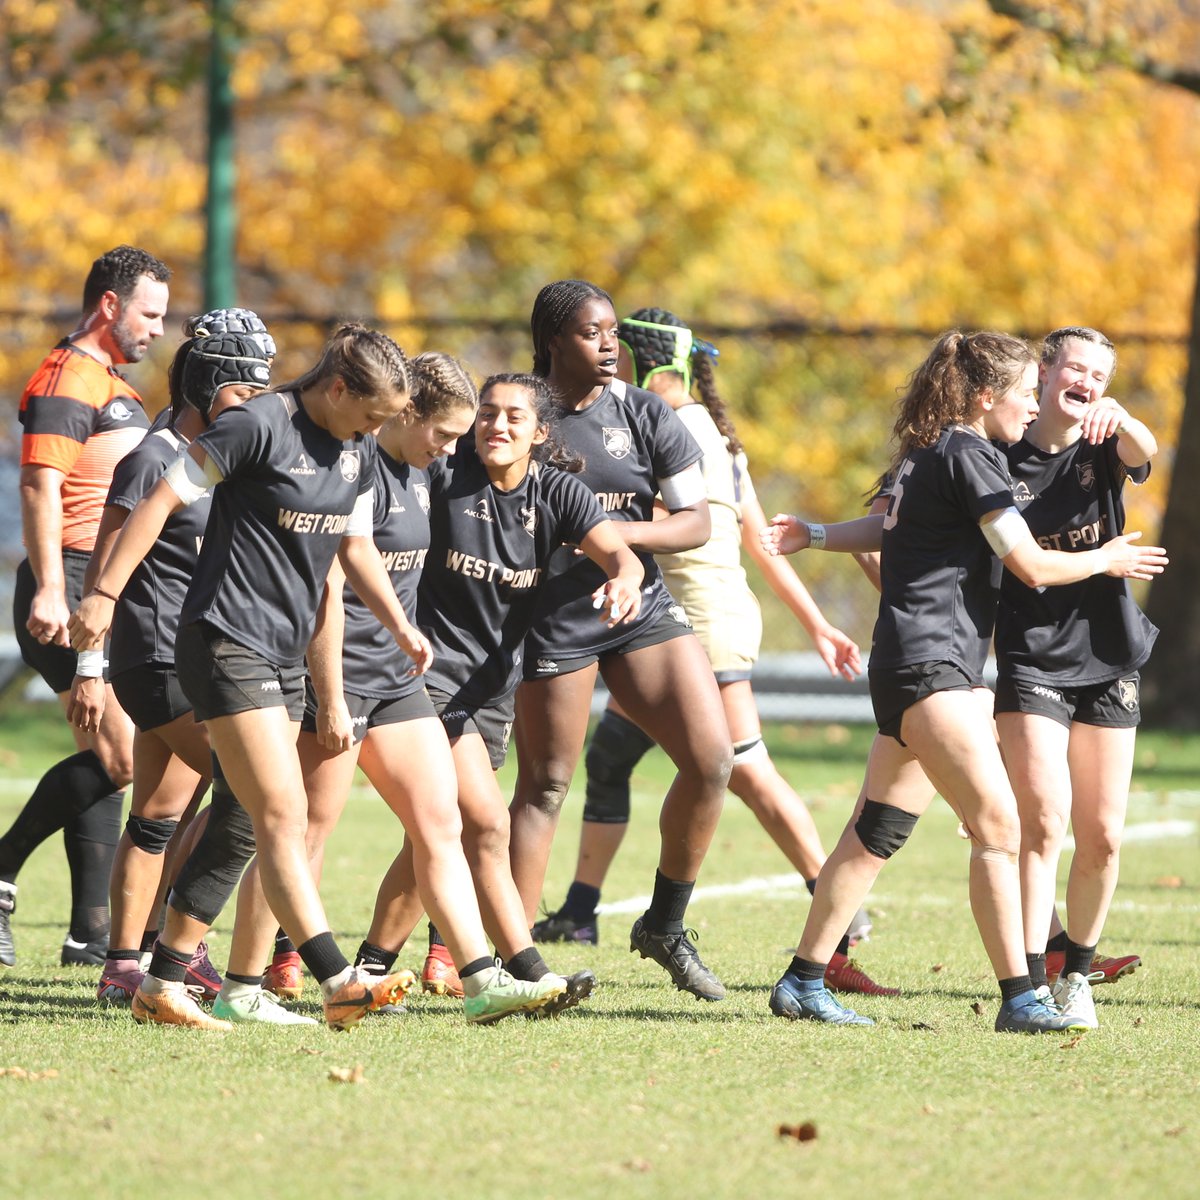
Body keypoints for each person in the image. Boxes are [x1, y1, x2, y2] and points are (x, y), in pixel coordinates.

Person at [759, 330, 1167, 1032]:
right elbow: (1031, 566)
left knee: (876, 831)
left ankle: (803, 979)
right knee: (1000, 825)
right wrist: (1103, 561)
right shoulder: (976, 456)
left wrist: (817, 535)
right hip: (933, 667)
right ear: (990, 397)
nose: (1027, 409)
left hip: (913, 664)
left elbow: (888, 529)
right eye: (1020, 395)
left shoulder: (928, 453)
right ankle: (1022, 998)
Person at [68, 323, 424, 1032]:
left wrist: (399, 624)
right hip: (223, 639)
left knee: (237, 821)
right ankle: (336, 979)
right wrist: (102, 597)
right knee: (282, 812)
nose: (378, 429)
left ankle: (163, 982)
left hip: (284, 651)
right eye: (373, 413)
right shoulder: (258, 424)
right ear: (336, 387)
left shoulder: (355, 450)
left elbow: (354, 548)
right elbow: (162, 500)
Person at [533, 307, 895, 997]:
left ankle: (838, 910)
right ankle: (581, 911)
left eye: (621, 353)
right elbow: (763, 538)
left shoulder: (672, 425)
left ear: (645, 363)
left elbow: (686, 529)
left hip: (692, 624)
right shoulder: (718, 434)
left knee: (743, 768)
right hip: (692, 617)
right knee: (609, 762)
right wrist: (817, 622)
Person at [228, 358, 595, 1026]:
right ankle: (241, 982)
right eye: (446, 434)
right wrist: (332, 694)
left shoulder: (425, 476)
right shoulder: (358, 466)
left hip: (399, 680)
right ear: (406, 415)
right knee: (301, 834)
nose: (453, 449)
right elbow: (335, 580)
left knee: (442, 824)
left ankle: (482, 980)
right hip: (339, 674)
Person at [345, 371, 644, 1011]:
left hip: (490, 686)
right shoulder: (443, 477)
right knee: (481, 824)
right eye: (486, 414)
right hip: (423, 678)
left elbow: (624, 555)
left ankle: (370, 968)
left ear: (539, 433)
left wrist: (623, 579)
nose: (495, 426)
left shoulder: (557, 492)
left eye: (513, 417)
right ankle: (523, 967)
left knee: (432, 832)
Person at [507, 280, 734, 1002]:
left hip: (637, 605)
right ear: (551, 341)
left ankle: (664, 925)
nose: (609, 344)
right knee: (544, 785)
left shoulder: (644, 413)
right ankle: (516, 964)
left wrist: (611, 538)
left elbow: (695, 520)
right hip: (551, 616)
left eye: (612, 331)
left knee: (712, 760)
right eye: (589, 332)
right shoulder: (521, 415)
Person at [72, 318, 274, 1007]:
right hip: (157, 659)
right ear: (212, 385)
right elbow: (104, 559)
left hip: (184, 657)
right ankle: (180, 947)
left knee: (158, 814)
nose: (256, 400)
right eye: (247, 386)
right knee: (248, 790)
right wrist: (88, 665)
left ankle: (123, 963)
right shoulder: (153, 457)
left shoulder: (223, 455)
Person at [1, 245, 171, 970]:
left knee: (102, 750)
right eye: (150, 313)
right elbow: (41, 484)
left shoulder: (108, 382)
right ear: (110, 305)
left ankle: (87, 932)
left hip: (103, 587)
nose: (158, 329)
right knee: (122, 753)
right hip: (67, 584)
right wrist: (47, 586)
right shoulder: (70, 375)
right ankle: (3, 871)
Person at [994, 326, 1158, 1028]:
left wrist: (1124, 418)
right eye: (1074, 366)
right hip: (1032, 658)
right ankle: (1029, 985)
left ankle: (1077, 974)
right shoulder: (997, 454)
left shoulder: (1104, 445)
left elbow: (1145, 451)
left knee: (1103, 835)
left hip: (1109, 654)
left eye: (1099, 373)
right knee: (1043, 824)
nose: (1085, 380)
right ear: (1046, 370)